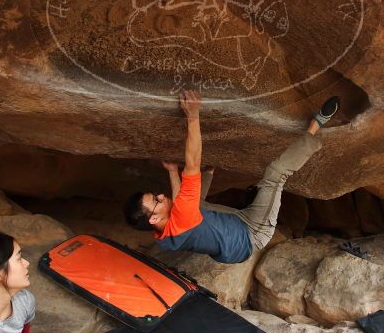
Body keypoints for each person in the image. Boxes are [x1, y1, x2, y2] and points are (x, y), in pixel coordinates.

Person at [124, 90, 339, 264]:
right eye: (156, 201)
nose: (161, 195)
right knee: (276, 174)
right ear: (154, 218)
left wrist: (172, 171)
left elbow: (184, 206)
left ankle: (211, 171)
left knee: (194, 204)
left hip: (232, 241)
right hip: (254, 232)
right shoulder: (183, 218)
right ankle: (315, 127)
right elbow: (192, 163)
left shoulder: (162, 236)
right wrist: (193, 115)